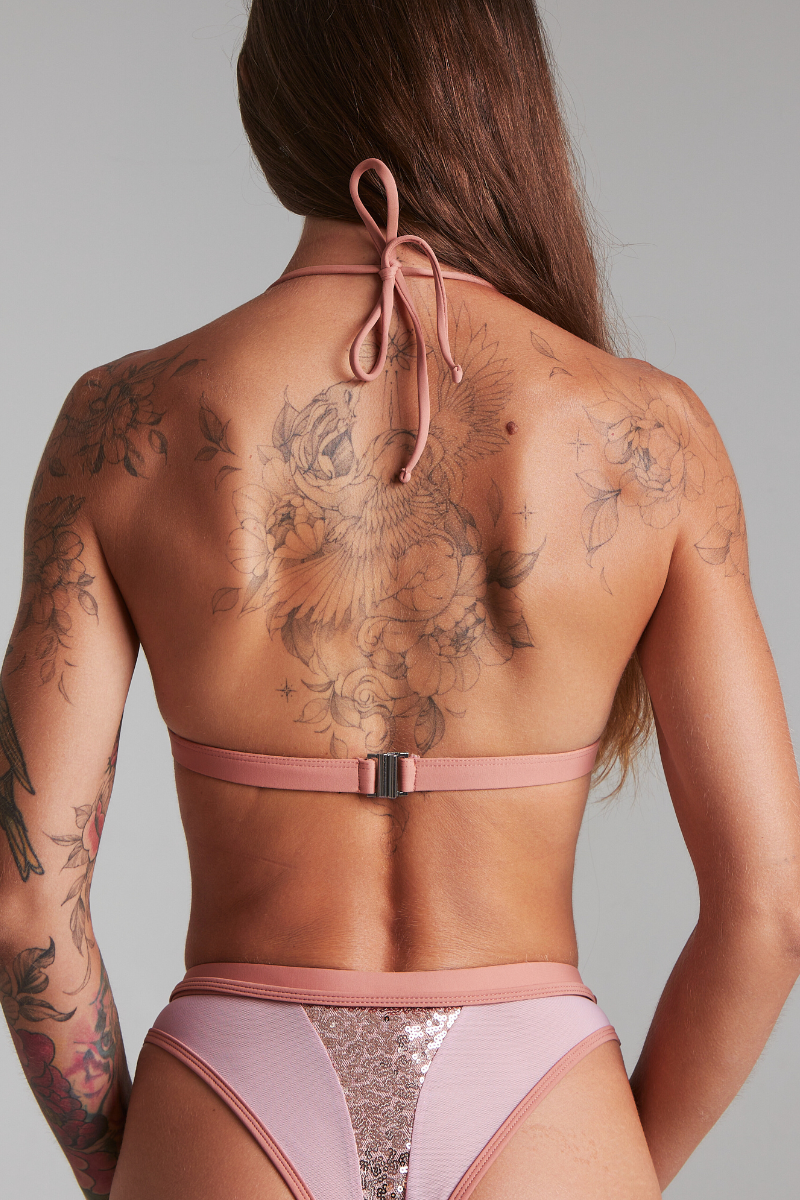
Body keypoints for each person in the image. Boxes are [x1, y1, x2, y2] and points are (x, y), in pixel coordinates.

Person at [1, 1, 798, 1197]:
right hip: (538, 1100)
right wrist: (619, 1165)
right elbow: (769, 909)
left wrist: (129, 1170)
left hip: (229, 1086)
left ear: (272, 104)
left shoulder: (124, 423)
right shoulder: (649, 435)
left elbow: (28, 902)